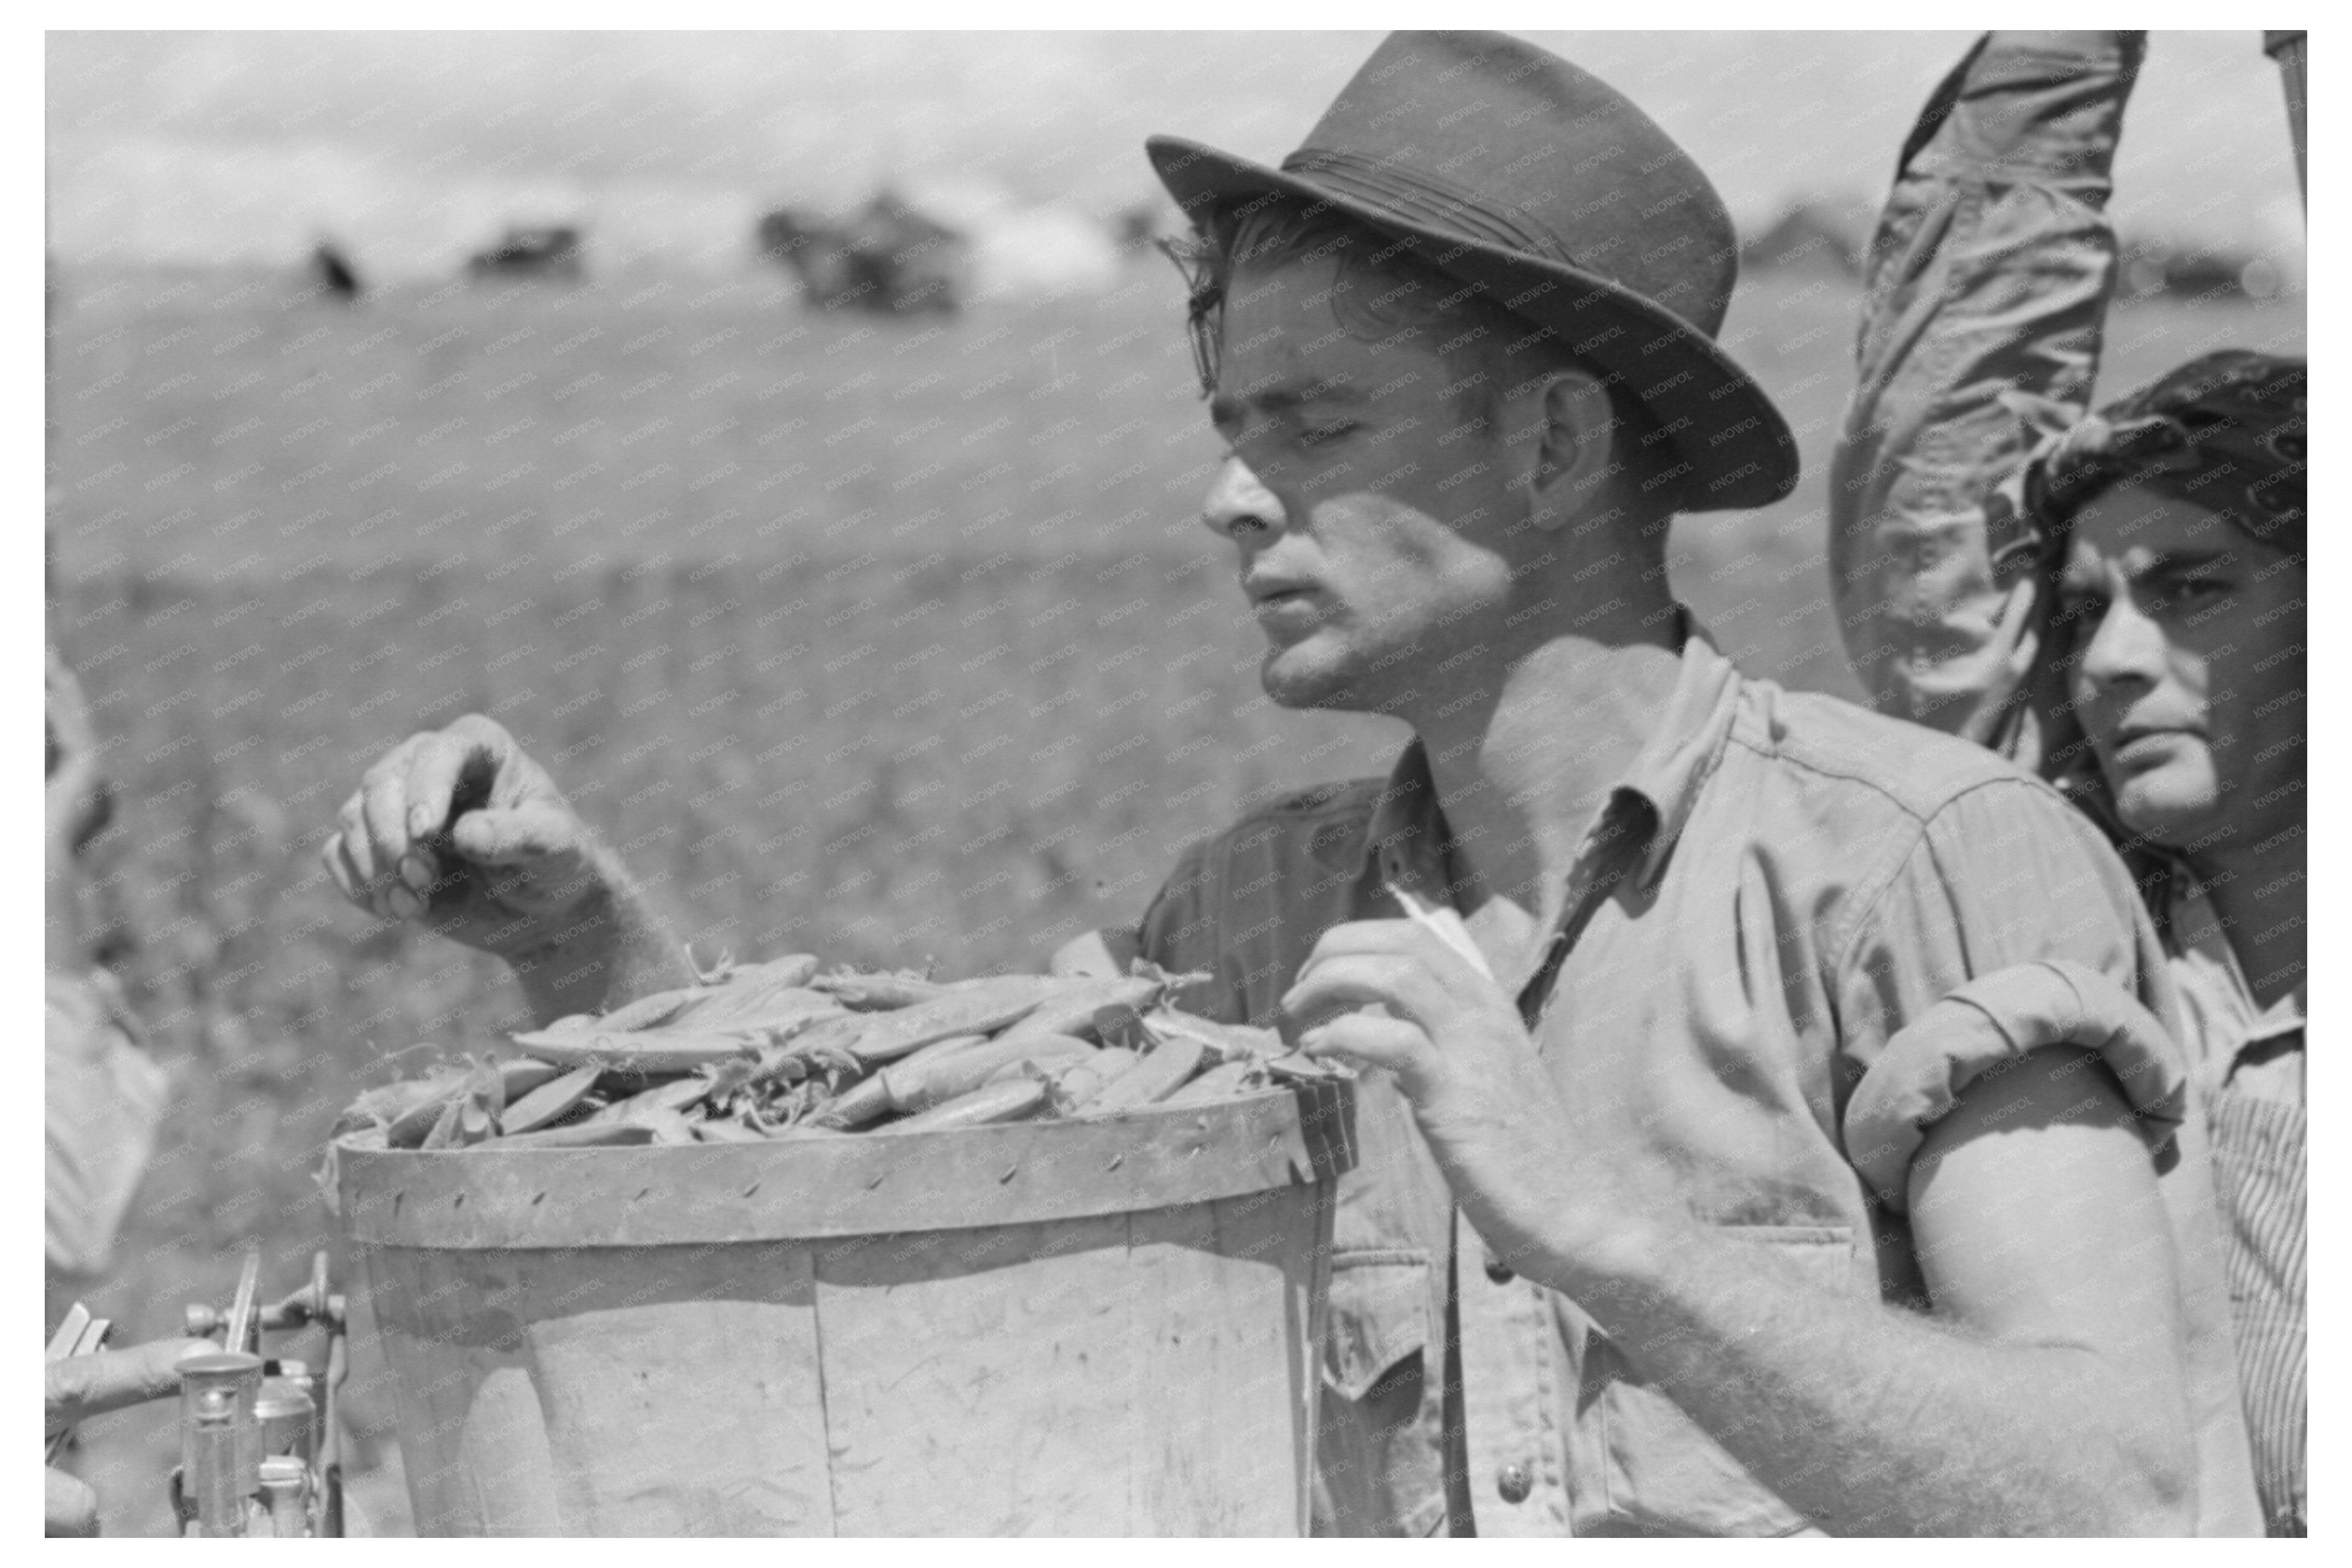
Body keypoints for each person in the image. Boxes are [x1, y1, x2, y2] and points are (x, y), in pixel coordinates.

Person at [325, 32, 2259, 1535]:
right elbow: (862, 1193)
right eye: (1230, 423)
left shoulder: (1920, 860)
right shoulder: (1236, 931)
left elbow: (2112, 1490)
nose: (1228, 493)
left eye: (1312, 426)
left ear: (1562, 439)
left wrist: (1598, 1230)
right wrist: (589, 949)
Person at [1831, 31, 2305, 1535]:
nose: (2107, 660)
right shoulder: (2083, 940)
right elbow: (1946, 498)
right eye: (2089, 607)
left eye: (2194, 588)